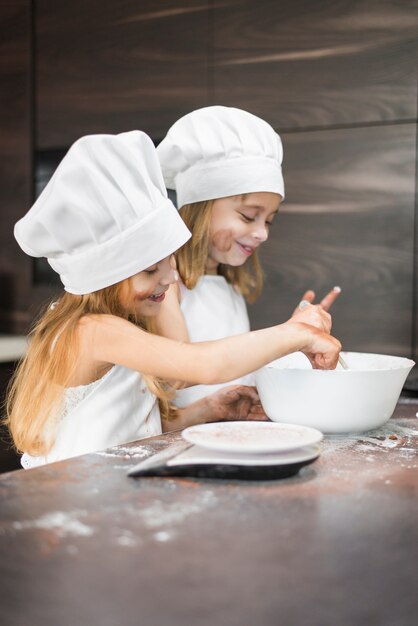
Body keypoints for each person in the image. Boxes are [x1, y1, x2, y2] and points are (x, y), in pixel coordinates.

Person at [6, 130, 341, 469]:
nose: (169, 278)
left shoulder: (127, 326)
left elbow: (133, 427)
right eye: (152, 268)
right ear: (103, 278)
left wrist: (208, 410)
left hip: (108, 491)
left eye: (170, 261)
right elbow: (202, 364)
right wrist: (295, 333)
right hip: (66, 500)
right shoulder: (90, 331)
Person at [156, 106, 340, 406]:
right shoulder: (166, 280)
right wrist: (286, 335)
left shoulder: (229, 285)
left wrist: (293, 343)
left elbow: (238, 371)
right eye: (248, 216)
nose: (262, 233)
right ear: (199, 209)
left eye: (268, 220)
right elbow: (177, 371)